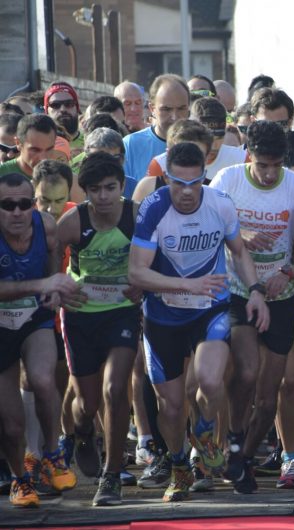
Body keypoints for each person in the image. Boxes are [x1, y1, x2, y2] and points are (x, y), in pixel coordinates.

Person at [127, 142, 270, 502]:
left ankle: (204, 432)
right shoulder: (153, 208)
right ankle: (178, 464)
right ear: (166, 179)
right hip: (163, 316)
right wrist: (185, 284)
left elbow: (239, 251)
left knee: (209, 379)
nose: (187, 193)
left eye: (195, 183)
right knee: (172, 407)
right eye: (178, 183)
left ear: (204, 177)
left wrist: (254, 291)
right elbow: (136, 272)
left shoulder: (220, 203)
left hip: (209, 309)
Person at [209, 121, 294, 492]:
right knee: (245, 372)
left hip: (281, 296)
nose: (270, 173)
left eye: (276, 165)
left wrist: (289, 272)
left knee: (269, 393)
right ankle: (233, 435)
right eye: (263, 166)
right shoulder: (227, 180)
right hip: (238, 291)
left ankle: (241, 457)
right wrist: (239, 234)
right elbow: (206, 229)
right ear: (249, 156)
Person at [56, 153, 141, 506]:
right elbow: (52, 271)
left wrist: (144, 285)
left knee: (115, 388)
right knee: (87, 402)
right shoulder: (72, 222)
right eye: (95, 190)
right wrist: (61, 288)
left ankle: (111, 474)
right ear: (85, 191)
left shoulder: (135, 216)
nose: (103, 196)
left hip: (121, 312)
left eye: (110, 188)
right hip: (81, 315)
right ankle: (82, 431)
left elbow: (158, 256)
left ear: (122, 187)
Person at [0, 172, 80, 507]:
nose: (18, 212)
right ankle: (20, 477)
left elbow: (52, 276)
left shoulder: (46, 226)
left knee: (44, 379)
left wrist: (55, 294)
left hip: (34, 319)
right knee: (12, 422)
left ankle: (51, 453)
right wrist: (40, 287)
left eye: (25, 204)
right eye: (8, 205)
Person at [123, 74, 190, 182]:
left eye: (181, 108)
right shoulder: (130, 145)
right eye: (166, 109)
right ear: (152, 108)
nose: (174, 117)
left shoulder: (200, 145)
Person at [189, 97, 246, 181]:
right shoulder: (167, 162)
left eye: (219, 137)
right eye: (208, 139)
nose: (214, 146)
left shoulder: (243, 160)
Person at [0, 114, 57, 178]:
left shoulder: (62, 177)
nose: (43, 158)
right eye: (35, 150)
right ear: (18, 143)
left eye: (49, 149)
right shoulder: (2, 175)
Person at [43, 82, 84, 157]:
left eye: (69, 103)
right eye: (55, 105)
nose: (63, 109)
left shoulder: (89, 142)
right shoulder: (39, 145)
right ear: (46, 110)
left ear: (77, 108)